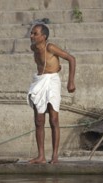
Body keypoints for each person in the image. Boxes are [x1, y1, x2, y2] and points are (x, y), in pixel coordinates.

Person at [27, 24, 76, 164]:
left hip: (52, 81)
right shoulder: (33, 48)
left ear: (44, 37)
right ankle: (41, 156)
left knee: (53, 119)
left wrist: (70, 82)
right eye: (31, 33)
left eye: (35, 33)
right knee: (38, 120)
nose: (31, 36)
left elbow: (71, 59)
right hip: (39, 81)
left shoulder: (51, 47)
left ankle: (55, 156)